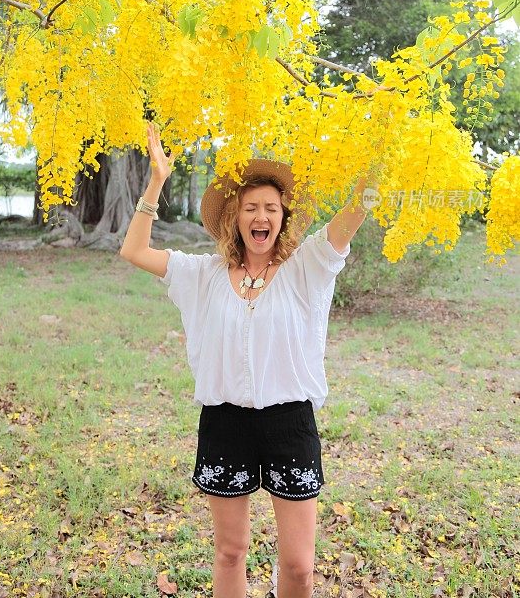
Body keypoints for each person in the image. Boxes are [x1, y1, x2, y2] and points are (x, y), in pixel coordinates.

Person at [119, 122, 377, 598]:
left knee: (299, 567)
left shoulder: (308, 268)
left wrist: (379, 156)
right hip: (225, 424)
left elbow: (356, 210)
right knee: (230, 553)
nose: (261, 216)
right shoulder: (204, 274)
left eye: (271, 208)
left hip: (290, 424)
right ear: (236, 217)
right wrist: (156, 181)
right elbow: (133, 250)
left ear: (283, 217)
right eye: (251, 208)